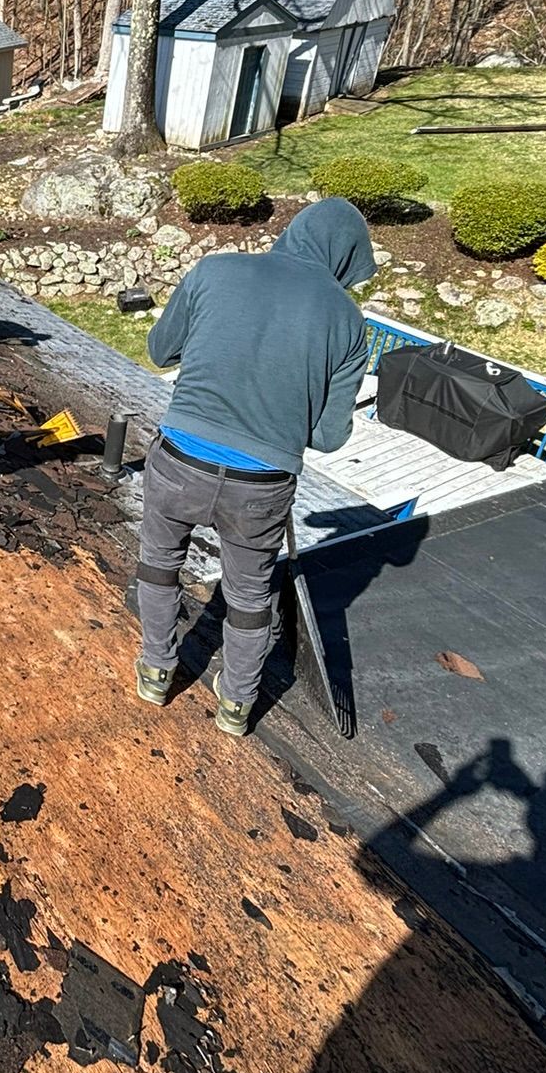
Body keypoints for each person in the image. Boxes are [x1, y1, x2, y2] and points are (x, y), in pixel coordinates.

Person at [135, 196, 374, 735]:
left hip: (179, 460)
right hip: (261, 486)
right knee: (249, 595)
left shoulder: (215, 270)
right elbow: (330, 437)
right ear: (345, 259)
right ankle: (237, 704)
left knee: (159, 563)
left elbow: (159, 350)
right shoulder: (347, 319)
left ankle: (156, 670)